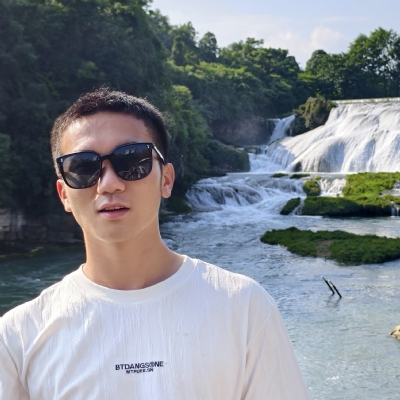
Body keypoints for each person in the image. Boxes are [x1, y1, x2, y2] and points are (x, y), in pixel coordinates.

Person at [0, 88, 309, 399]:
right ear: (64, 194)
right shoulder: (18, 337)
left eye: (132, 160)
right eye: (82, 167)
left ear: (166, 179)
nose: (109, 184)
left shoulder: (244, 308)